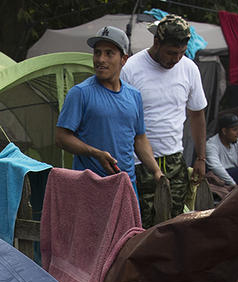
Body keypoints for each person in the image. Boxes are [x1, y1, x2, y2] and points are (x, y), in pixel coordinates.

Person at [55, 25, 163, 194]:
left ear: (124, 59)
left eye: (109, 53)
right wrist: (95, 153)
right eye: (97, 52)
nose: (101, 59)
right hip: (90, 186)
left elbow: (139, 139)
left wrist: (156, 171)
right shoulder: (80, 93)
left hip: (126, 185)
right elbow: (61, 138)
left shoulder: (134, 95)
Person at [120, 14, 208, 222]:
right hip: (138, 163)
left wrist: (201, 158)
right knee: (142, 225)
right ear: (156, 43)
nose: (175, 59)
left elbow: (197, 115)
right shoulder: (131, 69)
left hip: (175, 160)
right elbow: (122, 121)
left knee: (175, 223)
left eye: (181, 53)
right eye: (171, 53)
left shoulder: (189, 69)